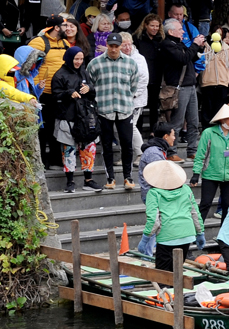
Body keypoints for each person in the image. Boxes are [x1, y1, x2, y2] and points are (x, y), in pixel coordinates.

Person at [86, 32, 140, 190]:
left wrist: (127, 97)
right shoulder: (96, 63)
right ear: (107, 45)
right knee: (107, 145)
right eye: (111, 46)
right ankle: (110, 178)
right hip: (104, 108)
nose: (114, 49)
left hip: (124, 108)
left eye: (117, 46)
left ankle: (128, 177)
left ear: (121, 46)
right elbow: (90, 83)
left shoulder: (130, 63)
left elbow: (134, 85)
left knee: (127, 144)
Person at [52, 45, 99, 192]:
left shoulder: (84, 73)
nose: (78, 62)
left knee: (89, 148)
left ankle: (88, 179)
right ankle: (70, 181)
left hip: (85, 117)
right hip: (68, 117)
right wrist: (68, 93)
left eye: (80, 59)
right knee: (68, 150)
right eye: (75, 59)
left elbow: (93, 93)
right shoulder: (59, 75)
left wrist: (90, 89)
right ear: (68, 58)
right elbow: (55, 95)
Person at [142, 160, 203, 272]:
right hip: (186, 234)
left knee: (163, 274)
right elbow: (195, 213)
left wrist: (145, 238)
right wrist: (200, 232)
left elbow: (153, 220)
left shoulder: (153, 193)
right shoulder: (186, 189)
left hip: (167, 236)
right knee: (177, 270)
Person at [192, 104, 229, 221]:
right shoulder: (208, 133)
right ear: (222, 119)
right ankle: (197, 233)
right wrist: (196, 173)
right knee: (205, 203)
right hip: (210, 174)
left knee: (227, 205)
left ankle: (224, 236)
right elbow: (201, 155)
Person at [160, 17, 206, 158]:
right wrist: (194, 44)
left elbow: (190, 57)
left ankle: (192, 150)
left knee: (193, 121)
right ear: (171, 31)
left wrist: (200, 47)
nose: (182, 32)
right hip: (179, 88)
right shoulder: (167, 45)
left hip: (191, 85)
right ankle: (172, 152)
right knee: (177, 122)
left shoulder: (179, 44)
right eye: (180, 29)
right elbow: (182, 58)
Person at [29, 16, 69, 162]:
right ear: (57, 28)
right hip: (43, 92)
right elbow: (29, 67)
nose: (67, 29)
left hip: (61, 92)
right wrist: (35, 90)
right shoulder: (38, 43)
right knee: (43, 128)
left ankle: (56, 158)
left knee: (57, 127)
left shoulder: (65, 43)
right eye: (64, 26)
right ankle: (42, 160)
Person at [138, 124, 176, 202]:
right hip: (154, 195)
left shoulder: (158, 150)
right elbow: (159, 177)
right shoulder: (154, 153)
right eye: (173, 135)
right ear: (166, 136)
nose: (174, 138)